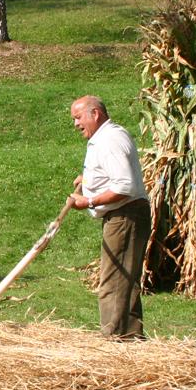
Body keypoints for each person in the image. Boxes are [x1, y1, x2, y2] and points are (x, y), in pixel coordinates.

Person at [67, 96, 150, 339]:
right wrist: (89, 180)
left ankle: (115, 339)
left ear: (95, 114)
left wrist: (89, 201)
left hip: (125, 215)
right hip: (123, 215)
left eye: (78, 117)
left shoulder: (110, 140)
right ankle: (129, 337)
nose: (76, 124)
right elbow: (116, 174)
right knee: (122, 280)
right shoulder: (106, 137)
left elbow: (124, 187)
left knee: (113, 283)